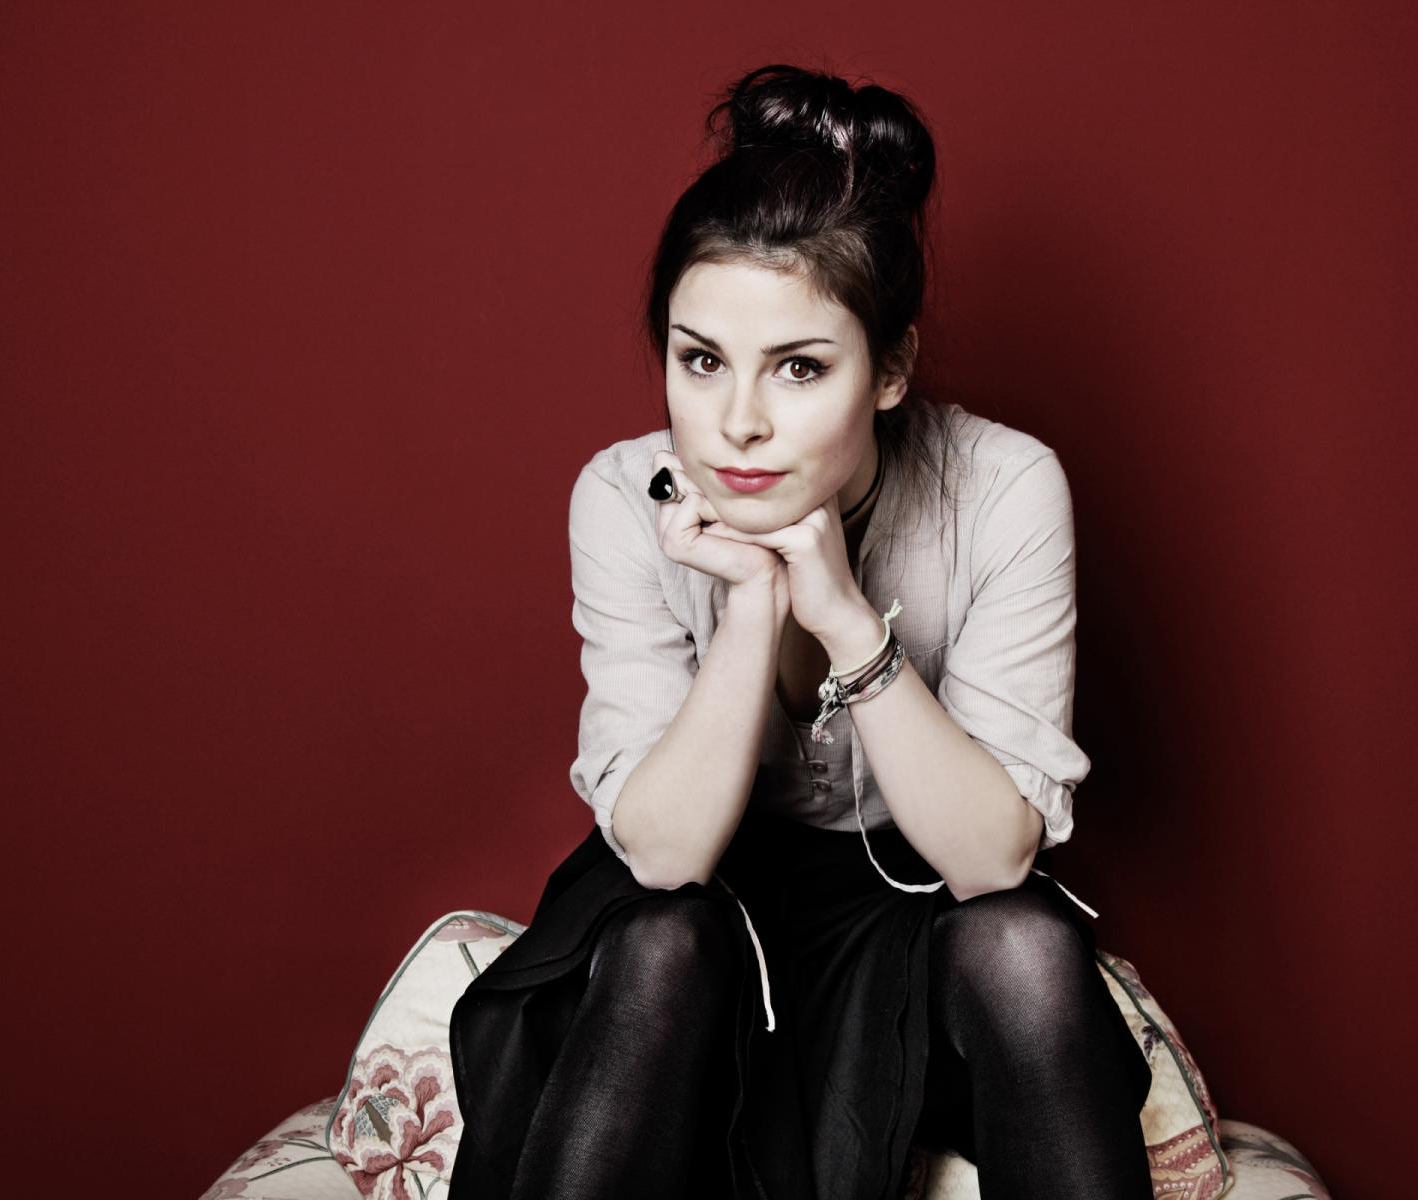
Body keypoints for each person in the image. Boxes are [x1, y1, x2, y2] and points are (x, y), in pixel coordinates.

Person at [447, 63, 1155, 1200]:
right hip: (697, 924)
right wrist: (751, 603)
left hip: (915, 917)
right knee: (661, 942)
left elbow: (994, 863)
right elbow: (666, 858)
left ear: (891, 370)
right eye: (701, 361)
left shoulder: (1004, 486)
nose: (738, 424)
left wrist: (840, 614)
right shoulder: (624, 495)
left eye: (800, 368)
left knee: (1023, 949)